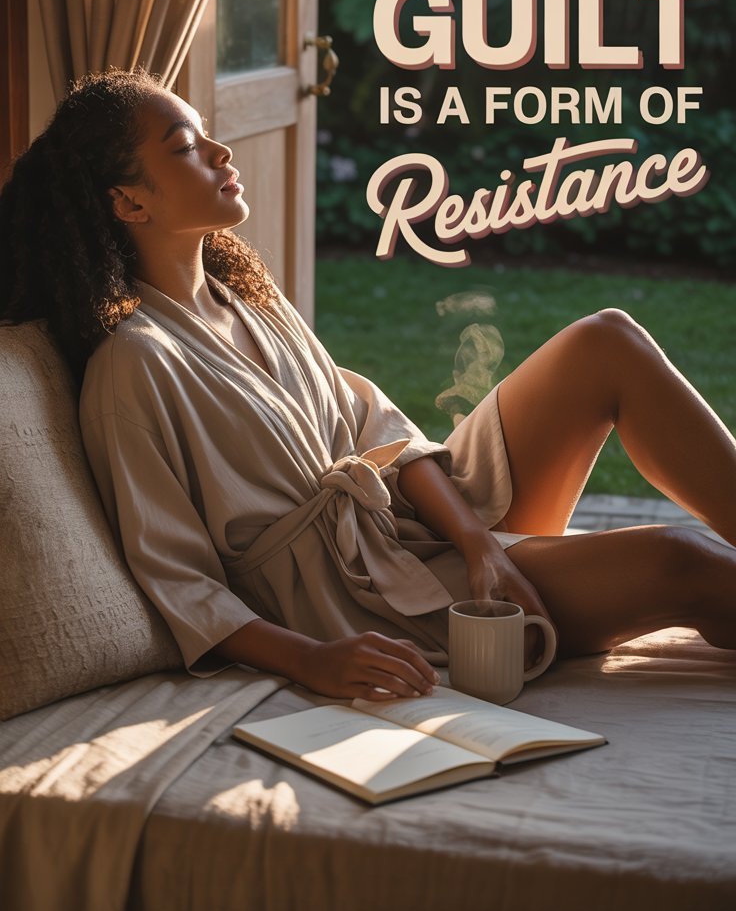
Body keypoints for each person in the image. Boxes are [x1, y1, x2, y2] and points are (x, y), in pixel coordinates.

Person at [1, 67, 735, 705]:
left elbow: (377, 428)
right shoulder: (133, 368)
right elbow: (177, 578)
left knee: (606, 341)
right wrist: (313, 660)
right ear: (129, 203)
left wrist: (477, 541)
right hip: (357, 596)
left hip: (418, 523)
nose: (221, 151)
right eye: (187, 147)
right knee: (685, 561)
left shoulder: (247, 299)